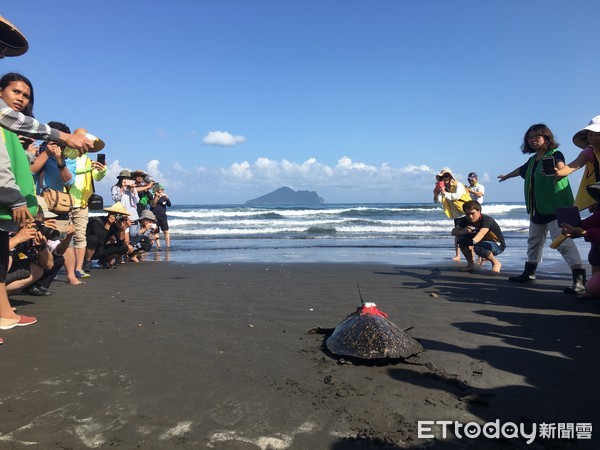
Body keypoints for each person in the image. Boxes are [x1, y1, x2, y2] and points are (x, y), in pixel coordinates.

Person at [498, 123, 585, 293]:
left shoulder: (555, 154)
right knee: (534, 241)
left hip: (556, 208)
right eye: (530, 138)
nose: (532, 141)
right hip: (538, 208)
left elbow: (562, 167)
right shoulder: (532, 160)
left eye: (536, 137)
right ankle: (529, 273)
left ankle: (579, 279)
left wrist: (559, 171)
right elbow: (521, 170)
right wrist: (507, 176)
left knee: (563, 242)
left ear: (546, 138)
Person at [63, 152, 107, 280]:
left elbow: (97, 177)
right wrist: (88, 169)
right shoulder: (67, 157)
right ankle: (64, 268)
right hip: (65, 202)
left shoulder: (89, 160)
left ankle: (78, 268)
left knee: (80, 236)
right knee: (63, 236)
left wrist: (103, 170)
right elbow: (67, 175)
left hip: (82, 203)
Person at [555, 115, 600, 211]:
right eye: (590, 134)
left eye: (597, 134)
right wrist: (557, 173)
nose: (593, 138)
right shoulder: (590, 151)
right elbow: (572, 166)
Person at [451, 200, 505, 273]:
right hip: (479, 243)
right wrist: (462, 231)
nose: (470, 216)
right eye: (467, 214)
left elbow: (481, 233)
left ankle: (496, 263)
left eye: (473, 213)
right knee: (461, 239)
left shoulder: (486, 220)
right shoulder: (465, 220)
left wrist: (472, 243)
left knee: (479, 247)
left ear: (479, 211)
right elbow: (453, 231)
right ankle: (471, 265)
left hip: (496, 245)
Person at [433, 168, 471, 261]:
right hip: (456, 215)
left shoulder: (459, 185)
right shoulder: (444, 189)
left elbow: (456, 196)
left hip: (466, 213)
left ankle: (473, 257)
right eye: (442, 177)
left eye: (446, 176)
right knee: (458, 234)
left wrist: (444, 193)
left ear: (450, 177)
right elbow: (437, 202)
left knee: (469, 234)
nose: (444, 178)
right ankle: (458, 255)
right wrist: (436, 194)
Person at [82, 203, 130, 271]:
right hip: (88, 249)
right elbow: (99, 239)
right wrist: (108, 224)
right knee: (93, 239)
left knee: (124, 247)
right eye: (116, 215)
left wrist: (122, 230)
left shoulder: (115, 225)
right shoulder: (97, 221)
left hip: (100, 249)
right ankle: (87, 262)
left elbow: (120, 244)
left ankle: (104, 260)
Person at [150, 183, 171, 248]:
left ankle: (168, 245)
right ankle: (158, 245)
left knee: (166, 231)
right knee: (155, 231)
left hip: (163, 216)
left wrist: (167, 198)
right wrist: (157, 196)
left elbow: (169, 205)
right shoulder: (152, 197)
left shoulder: (164, 197)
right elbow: (153, 204)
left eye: (162, 190)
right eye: (159, 190)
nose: (160, 191)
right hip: (154, 216)